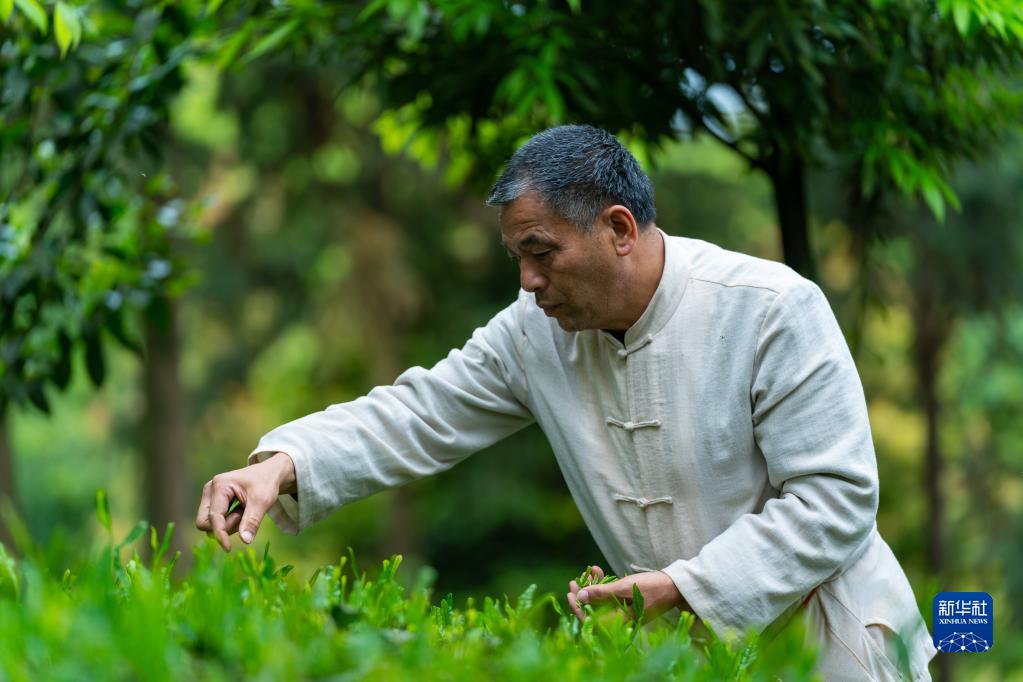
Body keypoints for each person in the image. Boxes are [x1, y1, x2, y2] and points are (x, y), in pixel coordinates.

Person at [196, 125, 936, 680]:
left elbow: (835, 500)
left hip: (836, 649)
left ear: (618, 229)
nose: (526, 281)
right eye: (517, 257)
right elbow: (419, 411)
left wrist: (684, 587)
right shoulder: (533, 333)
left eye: (541, 252)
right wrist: (283, 462)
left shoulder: (771, 308)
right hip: (692, 662)